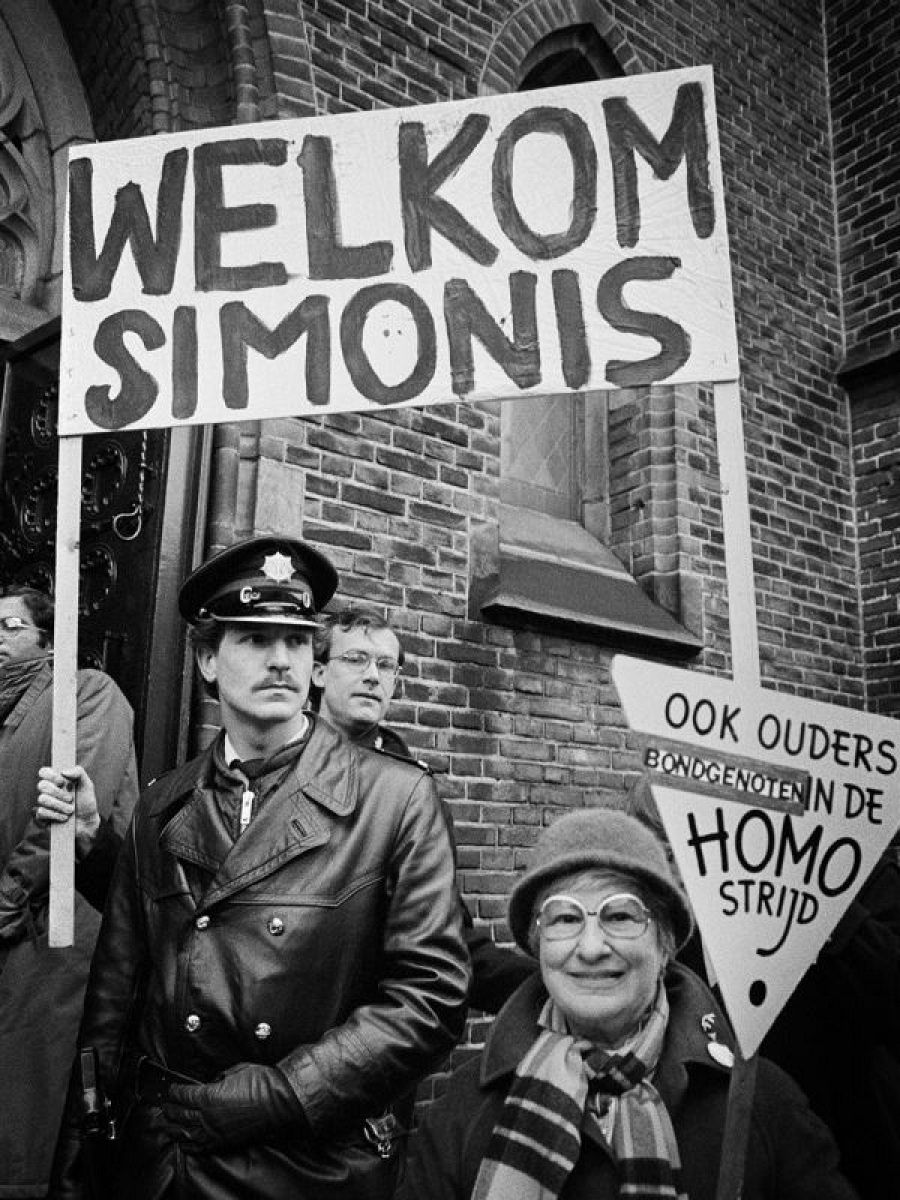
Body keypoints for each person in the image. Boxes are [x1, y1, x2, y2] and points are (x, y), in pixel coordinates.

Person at [51, 536, 470, 1200]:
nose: (281, 661)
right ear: (209, 660)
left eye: (297, 641)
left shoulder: (394, 799)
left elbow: (433, 997)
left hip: (307, 1164)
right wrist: (78, 1163)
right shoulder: (164, 805)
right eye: (254, 639)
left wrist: (282, 1093)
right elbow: (114, 1003)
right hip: (164, 1161)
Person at [400, 807, 858, 1200]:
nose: (592, 946)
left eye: (620, 915)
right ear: (538, 945)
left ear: (665, 944)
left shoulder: (758, 1103)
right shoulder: (464, 1110)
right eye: (564, 918)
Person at [623, 774, 900, 1200]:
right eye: (665, 848)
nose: (681, 862)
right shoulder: (661, 926)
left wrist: (815, 896)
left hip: (847, 1156)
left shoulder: (854, 875)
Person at [311, 607, 536, 1013]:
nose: (372, 676)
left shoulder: (414, 795)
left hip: (377, 1037)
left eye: (385, 665)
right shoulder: (276, 768)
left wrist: (547, 990)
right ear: (318, 673)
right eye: (355, 659)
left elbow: (445, 937)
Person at [0, 585, 138, 1199]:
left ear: (47, 638)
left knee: (26, 1120)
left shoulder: (84, 693)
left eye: (8, 626)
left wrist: (5, 902)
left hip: (44, 936)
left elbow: (63, 826)